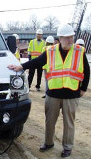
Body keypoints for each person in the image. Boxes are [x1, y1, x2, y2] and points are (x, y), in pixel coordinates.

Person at [8, 24, 90, 158]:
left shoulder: (79, 51)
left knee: (69, 123)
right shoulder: (51, 51)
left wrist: (83, 88)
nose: (71, 40)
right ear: (60, 38)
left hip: (72, 94)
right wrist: (21, 66)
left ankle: (67, 147)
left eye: (72, 37)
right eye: (68, 38)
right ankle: (48, 143)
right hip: (53, 94)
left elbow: (86, 71)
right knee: (49, 120)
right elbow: (36, 62)